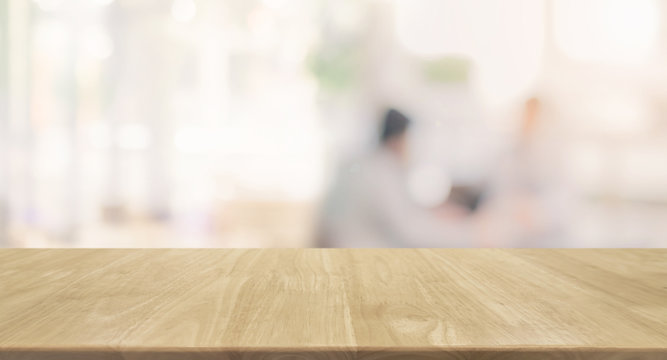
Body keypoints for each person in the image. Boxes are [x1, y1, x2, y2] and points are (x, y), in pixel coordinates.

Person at [318, 108, 469, 247]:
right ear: (399, 139)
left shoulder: (366, 165)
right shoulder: (382, 171)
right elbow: (410, 231)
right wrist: (467, 235)